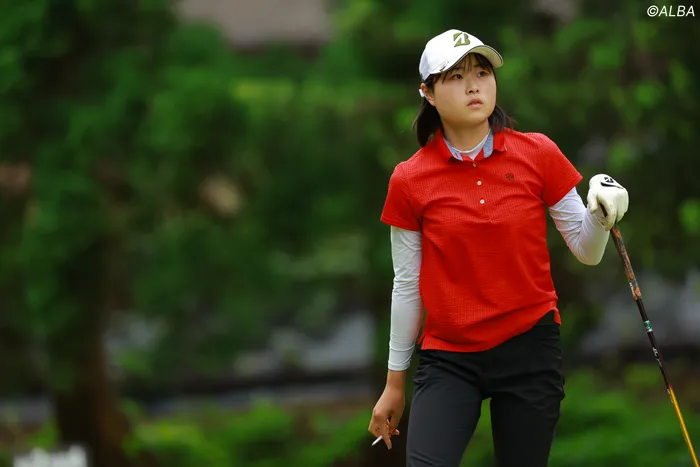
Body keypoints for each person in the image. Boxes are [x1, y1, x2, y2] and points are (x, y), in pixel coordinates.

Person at [367, 29, 630, 467]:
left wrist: (601, 215)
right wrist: (395, 383)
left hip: (529, 347)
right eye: (455, 77)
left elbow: (587, 250)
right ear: (427, 93)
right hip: (449, 356)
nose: (473, 86)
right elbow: (408, 284)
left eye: (482, 73)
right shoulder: (409, 179)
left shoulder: (537, 153)